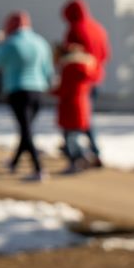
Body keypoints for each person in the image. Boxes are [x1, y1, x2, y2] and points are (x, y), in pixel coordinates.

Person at [0, 11, 55, 181]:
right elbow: (48, 70)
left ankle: (38, 169)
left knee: (26, 131)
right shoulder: (40, 42)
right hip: (38, 91)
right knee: (26, 130)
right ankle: (14, 162)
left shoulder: (10, 43)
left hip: (18, 90)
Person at [61, 0, 109, 168]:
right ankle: (94, 151)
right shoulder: (98, 28)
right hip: (95, 78)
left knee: (73, 118)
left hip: (78, 80)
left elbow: (71, 57)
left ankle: (76, 154)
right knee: (85, 117)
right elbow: (105, 54)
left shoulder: (75, 30)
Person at [53, 44, 97, 173]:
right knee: (75, 134)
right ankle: (86, 156)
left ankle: (78, 159)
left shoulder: (69, 68)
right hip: (83, 104)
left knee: (70, 136)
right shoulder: (87, 66)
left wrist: (52, 91)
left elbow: (64, 89)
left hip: (70, 105)